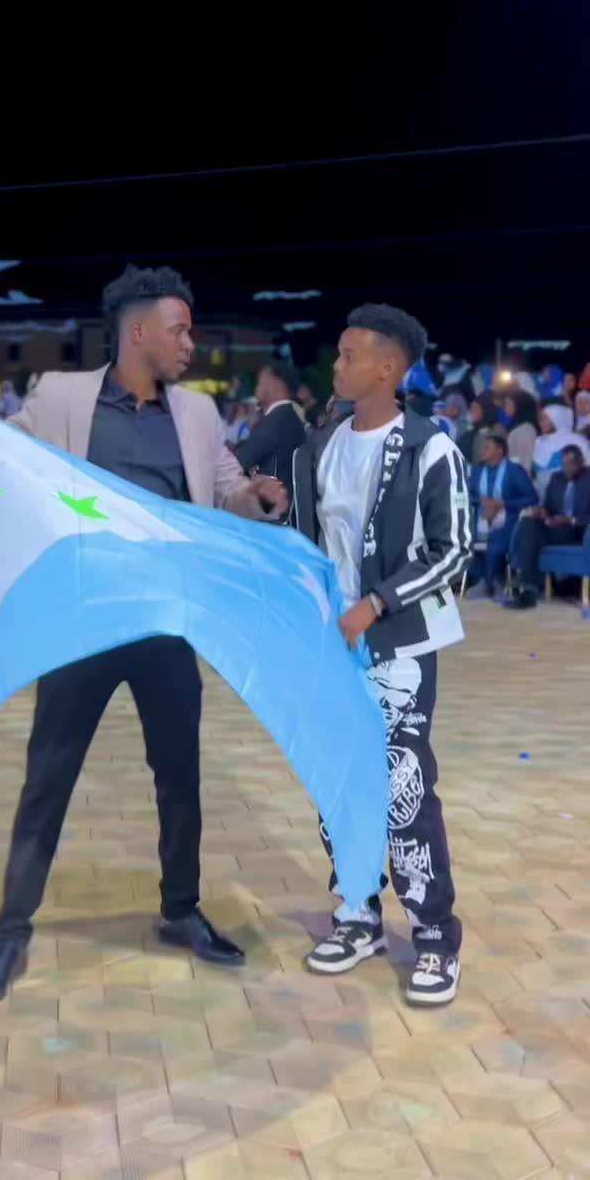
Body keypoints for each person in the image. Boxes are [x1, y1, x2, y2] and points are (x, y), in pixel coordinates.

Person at [0, 263, 287, 1007]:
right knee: (48, 775)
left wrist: (259, 497)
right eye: (180, 330)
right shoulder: (61, 397)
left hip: (165, 623)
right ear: (138, 331)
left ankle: (180, 910)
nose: (190, 343)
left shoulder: (197, 414)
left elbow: (226, 488)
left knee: (179, 775)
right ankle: (12, 931)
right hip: (82, 620)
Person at [293, 304, 471, 1006]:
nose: (336, 366)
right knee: (337, 782)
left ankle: (434, 936)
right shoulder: (321, 445)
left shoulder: (431, 448)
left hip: (399, 644)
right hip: (331, 644)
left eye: (348, 355)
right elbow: (311, 540)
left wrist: (376, 602)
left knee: (402, 786)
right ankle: (359, 914)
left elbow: (454, 549)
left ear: (388, 368)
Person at [509, 444, 590, 608]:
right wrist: (542, 512)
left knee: (534, 537)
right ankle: (528, 584)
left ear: (581, 462)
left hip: (578, 530)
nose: (567, 468)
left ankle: (528, 582)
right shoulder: (557, 478)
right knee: (528, 524)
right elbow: (548, 507)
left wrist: (572, 520)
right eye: (564, 464)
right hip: (555, 527)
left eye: (571, 464)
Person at [468, 435, 537, 596]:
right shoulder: (478, 471)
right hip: (480, 520)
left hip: (508, 521)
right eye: (482, 447)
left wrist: (503, 504)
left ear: (500, 450)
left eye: (487, 447)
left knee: (495, 544)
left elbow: (532, 498)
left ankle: (489, 581)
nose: (481, 450)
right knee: (462, 542)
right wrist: (482, 501)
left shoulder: (514, 471)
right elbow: (466, 494)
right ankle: (483, 578)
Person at [235, 362, 306, 499]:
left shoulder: (274, 421)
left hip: (269, 507)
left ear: (277, 386)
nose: (257, 387)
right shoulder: (288, 417)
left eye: (260, 382)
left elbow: (239, 464)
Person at [534, 403, 590, 497]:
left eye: (545, 419)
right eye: (540, 419)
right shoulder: (539, 441)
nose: (541, 422)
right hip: (542, 492)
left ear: (557, 419)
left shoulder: (577, 441)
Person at [457, 394, 502, 466]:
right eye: (471, 408)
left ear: (485, 410)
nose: (472, 411)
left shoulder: (497, 431)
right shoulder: (470, 430)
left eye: (476, 408)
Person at [503, 390, 539, 475]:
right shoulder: (514, 426)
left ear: (519, 406)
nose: (505, 408)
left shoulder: (526, 429)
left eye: (508, 404)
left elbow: (527, 459)